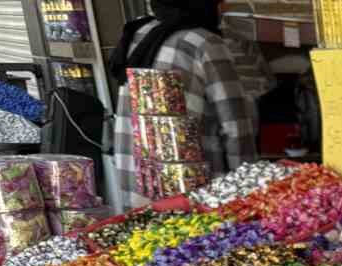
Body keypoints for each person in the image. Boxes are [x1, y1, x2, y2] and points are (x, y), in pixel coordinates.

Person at [108, 0, 258, 207]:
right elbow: (235, 125)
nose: (223, 7)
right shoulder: (205, 42)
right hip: (191, 191)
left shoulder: (137, 33)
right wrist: (247, 186)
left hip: (134, 184)